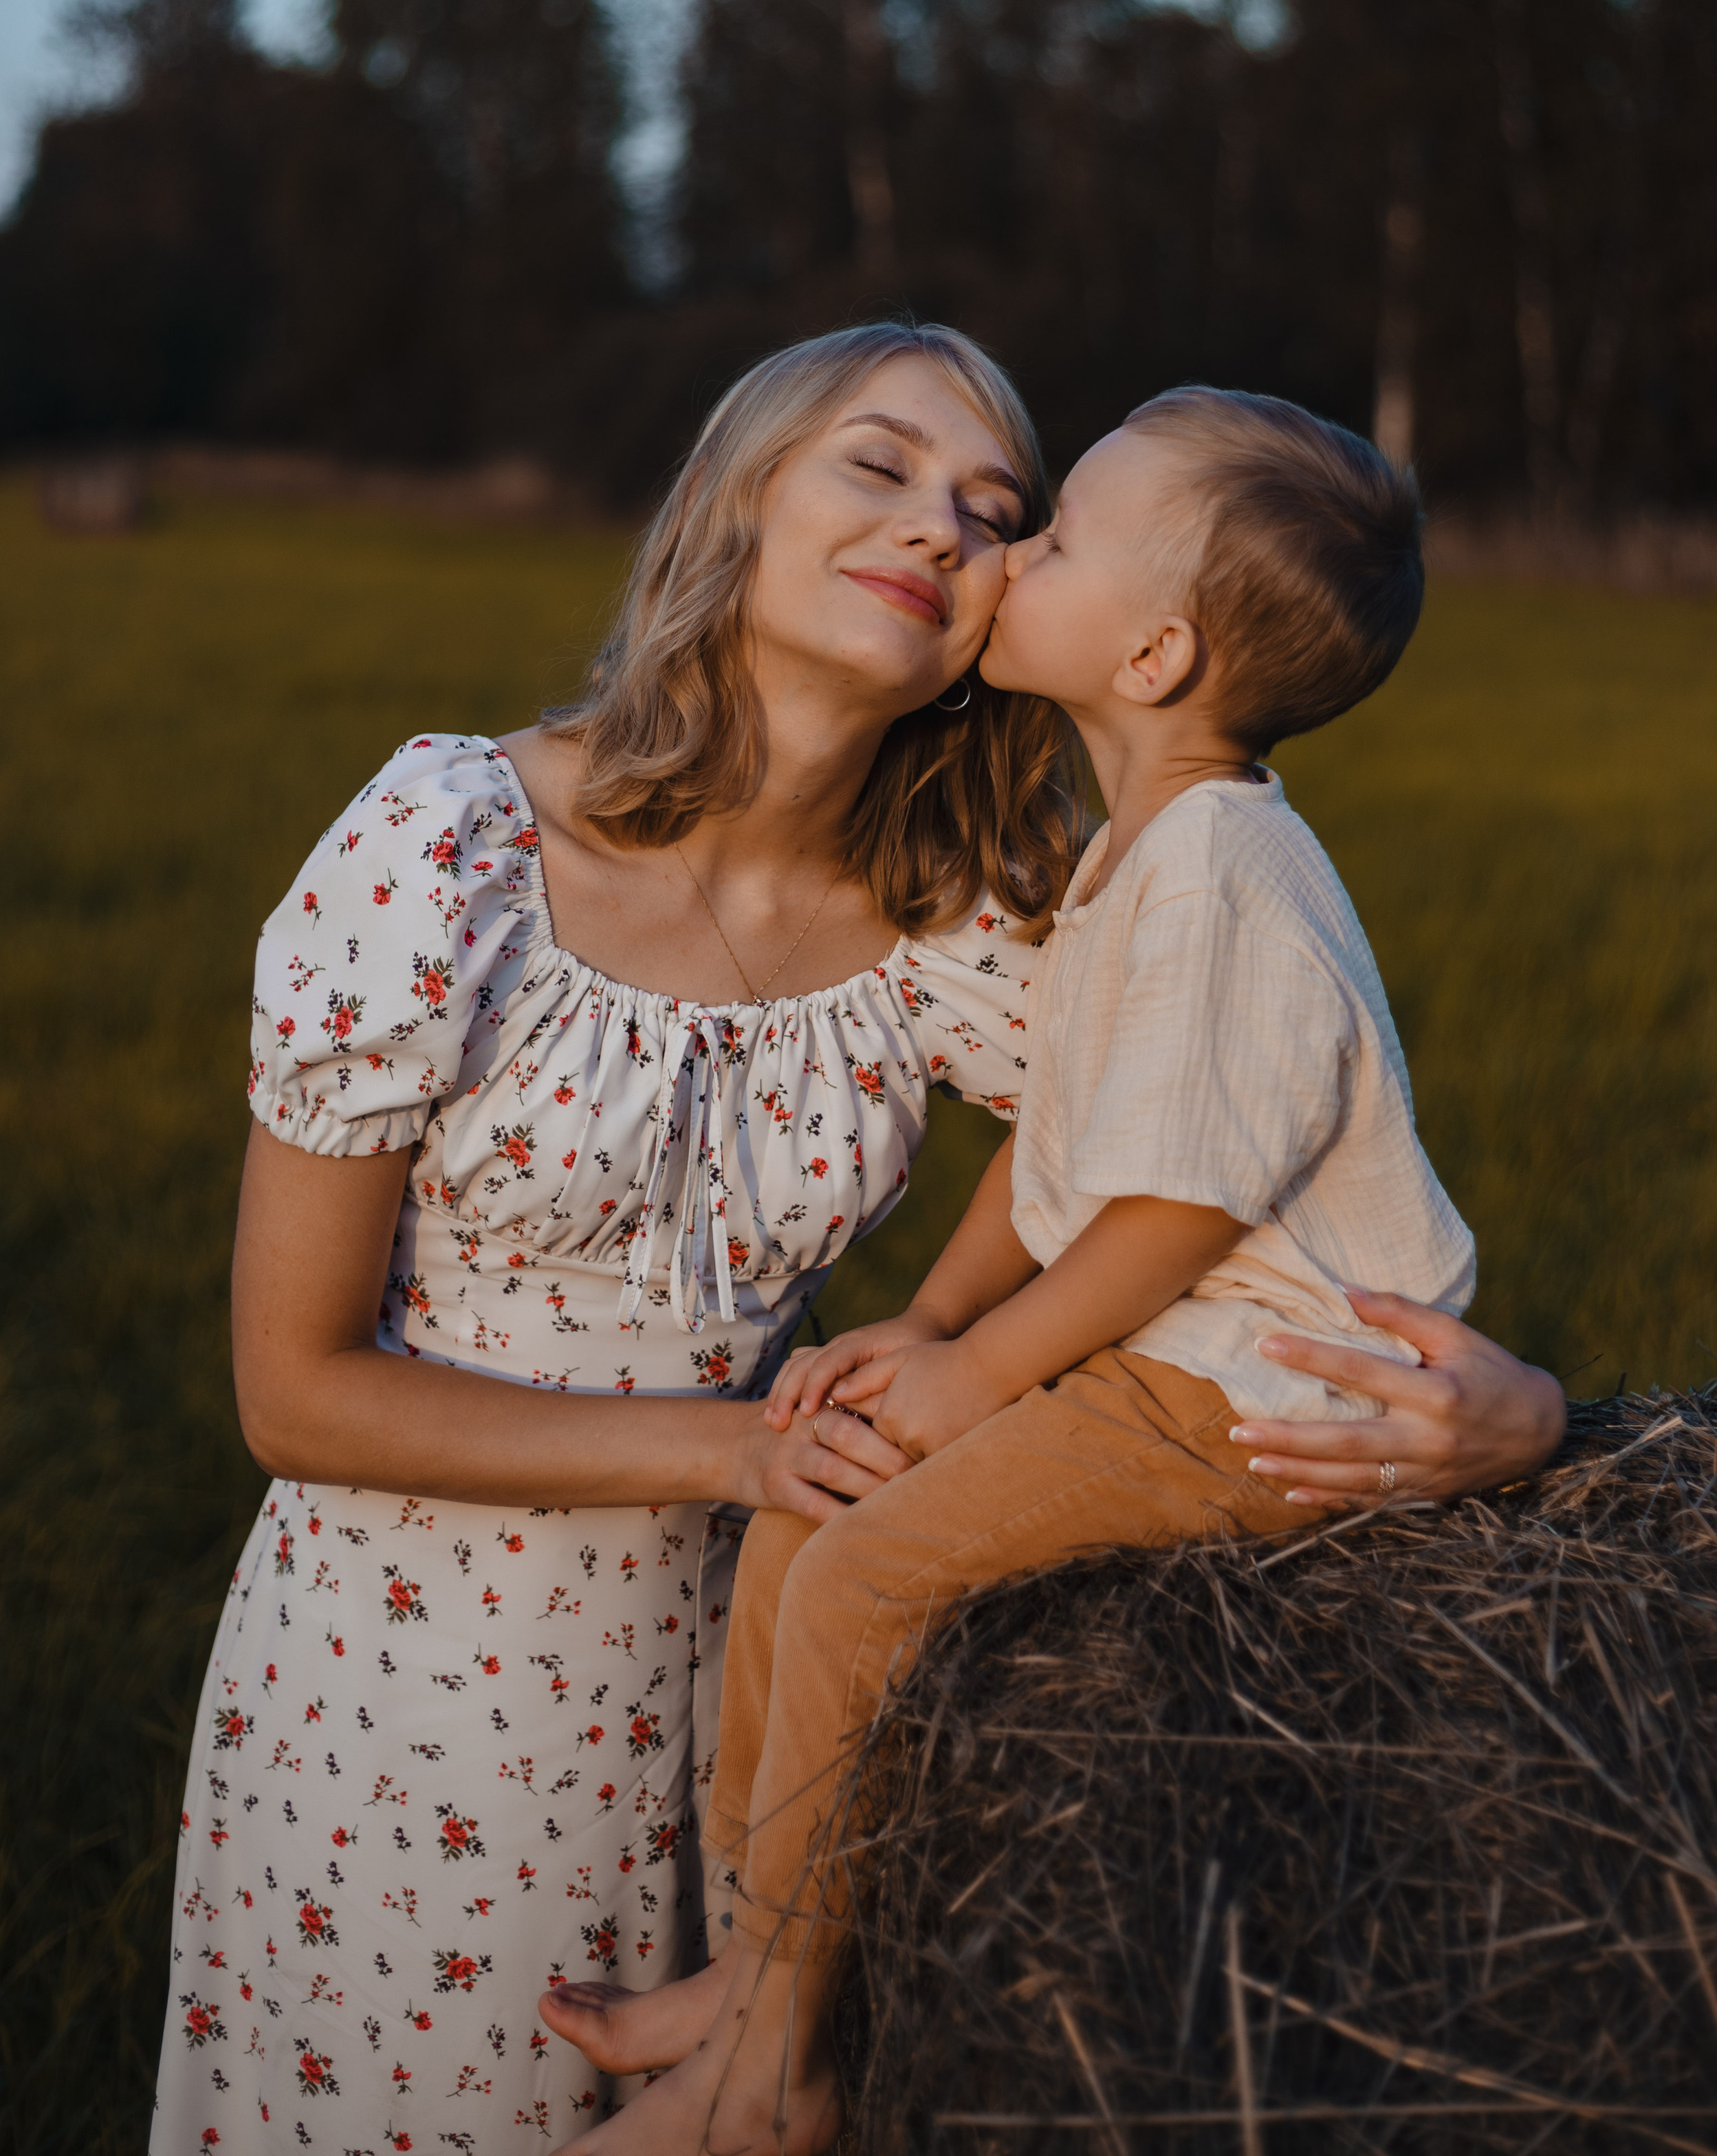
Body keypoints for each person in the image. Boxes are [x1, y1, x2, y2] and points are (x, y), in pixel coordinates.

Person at [541, 385, 1566, 2155]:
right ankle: (762, 1950)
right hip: (1166, 1360)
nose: (1003, 554)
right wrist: (923, 1322)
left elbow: (1163, 1216)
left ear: (1154, 655)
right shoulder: (1141, 852)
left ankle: (774, 2070)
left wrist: (973, 1373)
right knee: (808, 1519)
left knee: (864, 1586)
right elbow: (1058, 1144)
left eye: (1057, 535)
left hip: (1252, 1392)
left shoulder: (1223, 869)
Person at [149, 322, 1085, 2150]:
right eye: (878, 466)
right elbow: (295, 1393)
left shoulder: (948, 922)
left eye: (997, 514)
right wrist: (746, 1446)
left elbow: (1177, 1139)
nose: (941, 528)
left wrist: (956, 1345)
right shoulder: (452, 849)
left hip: (752, 1692)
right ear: (736, 504)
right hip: (399, 1703)